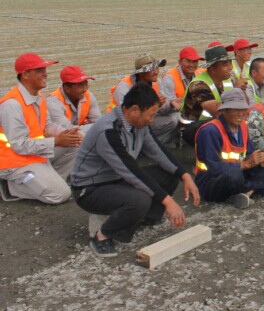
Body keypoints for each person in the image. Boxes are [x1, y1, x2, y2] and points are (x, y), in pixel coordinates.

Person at [70, 83, 200, 256]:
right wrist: (168, 201)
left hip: (116, 178)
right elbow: (130, 171)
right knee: (139, 200)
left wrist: (184, 175)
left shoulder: (140, 125)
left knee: (168, 175)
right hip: (90, 188)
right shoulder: (108, 131)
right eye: (151, 115)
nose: (152, 120)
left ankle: (146, 218)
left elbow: (158, 151)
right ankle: (102, 235)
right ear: (134, 110)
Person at [0, 54, 82, 204]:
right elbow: (19, 145)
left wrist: (66, 134)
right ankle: (11, 187)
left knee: (75, 143)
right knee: (61, 195)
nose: (45, 74)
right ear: (25, 75)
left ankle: (47, 181)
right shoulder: (12, 105)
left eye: (44, 69)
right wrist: (56, 141)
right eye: (39, 70)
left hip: (34, 154)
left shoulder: (39, 97)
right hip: (15, 162)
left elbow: (47, 126)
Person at [194, 89, 264, 208]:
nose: (241, 114)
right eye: (235, 109)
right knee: (234, 174)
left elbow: (249, 153)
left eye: (243, 109)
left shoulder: (243, 126)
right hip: (212, 181)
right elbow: (214, 168)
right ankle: (253, 189)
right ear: (223, 111)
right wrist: (244, 165)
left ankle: (247, 192)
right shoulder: (210, 131)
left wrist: (261, 158)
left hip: (240, 172)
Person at [108, 54, 178, 148]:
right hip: (121, 124)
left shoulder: (157, 82)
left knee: (173, 119)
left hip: (145, 119)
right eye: (152, 69)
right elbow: (130, 116)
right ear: (141, 73)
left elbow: (162, 110)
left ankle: (152, 147)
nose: (156, 72)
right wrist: (154, 105)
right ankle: (138, 147)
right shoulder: (124, 86)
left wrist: (171, 104)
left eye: (157, 68)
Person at [180, 45, 235, 145]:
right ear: (213, 68)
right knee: (225, 124)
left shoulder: (228, 80)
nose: (230, 67)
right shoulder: (198, 85)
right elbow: (218, 112)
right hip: (192, 127)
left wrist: (242, 91)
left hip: (213, 120)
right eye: (225, 64)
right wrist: (237, 92)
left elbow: (244, 105)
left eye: (230, 63)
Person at [47, 65, 102, 135]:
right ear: (67, 89)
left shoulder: (88, 95)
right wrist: (92, 127)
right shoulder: (53, 103)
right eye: (80, 85)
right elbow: (68, 131)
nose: (85, 89)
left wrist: (94, 127)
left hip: (80, 136)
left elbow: (99, 124)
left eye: (86, 84)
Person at [160, 46, 204, 113]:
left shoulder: (199, 74)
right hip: (175, 113)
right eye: (188, 61)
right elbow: (164, 108)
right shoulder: (169, 78)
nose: (192, 65)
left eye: (195, 61)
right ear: (179, 62)